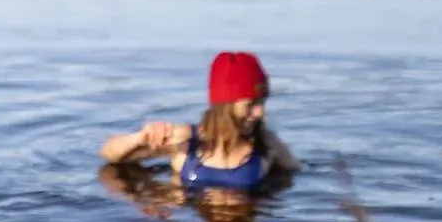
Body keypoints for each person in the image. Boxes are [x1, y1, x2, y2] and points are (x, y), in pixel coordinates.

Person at [99, 51, 298, 191]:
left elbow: (295, 173)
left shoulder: (266, 145)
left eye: (262, 103)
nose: (259, 113)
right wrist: (140, 138)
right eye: (251, 104)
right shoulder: (186, 141)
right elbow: (109, 154)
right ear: (225, 104)